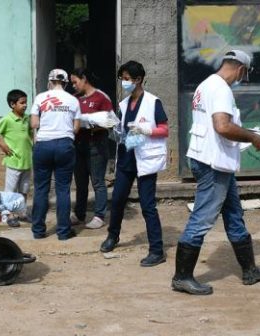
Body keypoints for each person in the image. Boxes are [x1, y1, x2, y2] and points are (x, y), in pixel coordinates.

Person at [172, 50, 260, 295]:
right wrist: (253, 137)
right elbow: (222, 126)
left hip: (212, 160)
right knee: (202, 218)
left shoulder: (206, 85)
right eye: (244, 74)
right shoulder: (221, 89)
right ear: (240, 69)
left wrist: (245, 132)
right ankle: (181, 276)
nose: (242, 78)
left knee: (234, 215)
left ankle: (249, 270)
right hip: (213, 165)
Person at [99, 61, 169, 267]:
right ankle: (113, 236)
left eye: (127, 78)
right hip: (126, 157)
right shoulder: (123, 104)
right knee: (118, 200)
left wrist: (145, 130)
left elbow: (164, 130)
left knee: (148, 205)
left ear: (138, 80)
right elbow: (119, 130)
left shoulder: (153, 102)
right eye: (122, 78)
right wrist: (111, 126)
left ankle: (157, 250)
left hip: (145, 159)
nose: (124, 82)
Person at [30, 69, 81, 240]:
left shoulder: (40, 98)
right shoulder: (73, 100)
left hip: (43, 144)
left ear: (50, 81)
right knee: (63, 190)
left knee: (41, 189)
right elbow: (76, 127)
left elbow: (34, 123)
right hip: (64, 145)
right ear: (66, 83)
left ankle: (38, 231)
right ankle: (63, 232)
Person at [69, 68, 114, 230]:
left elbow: (111, 121)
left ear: (84, 79)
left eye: (75, 82)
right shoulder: (74, 99)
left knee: (97, 182)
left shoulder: (101, 97)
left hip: (96, 145)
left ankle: (99, 215)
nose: (73, 86)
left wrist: (91, 125)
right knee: (80, 183)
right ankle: (79, 214)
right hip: (78, 145)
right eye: (72, 83)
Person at [0, 89, 33, 227]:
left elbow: (31, 134)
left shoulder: (27, 118)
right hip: (14, 161)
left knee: (24, 189)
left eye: (26, 102)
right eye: (22, 103)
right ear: (12, 104)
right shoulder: (7, 119)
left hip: (27, 161)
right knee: (11, 191)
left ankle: (22, 212)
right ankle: (9, 214)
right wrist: (3, 146)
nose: (25, 105)